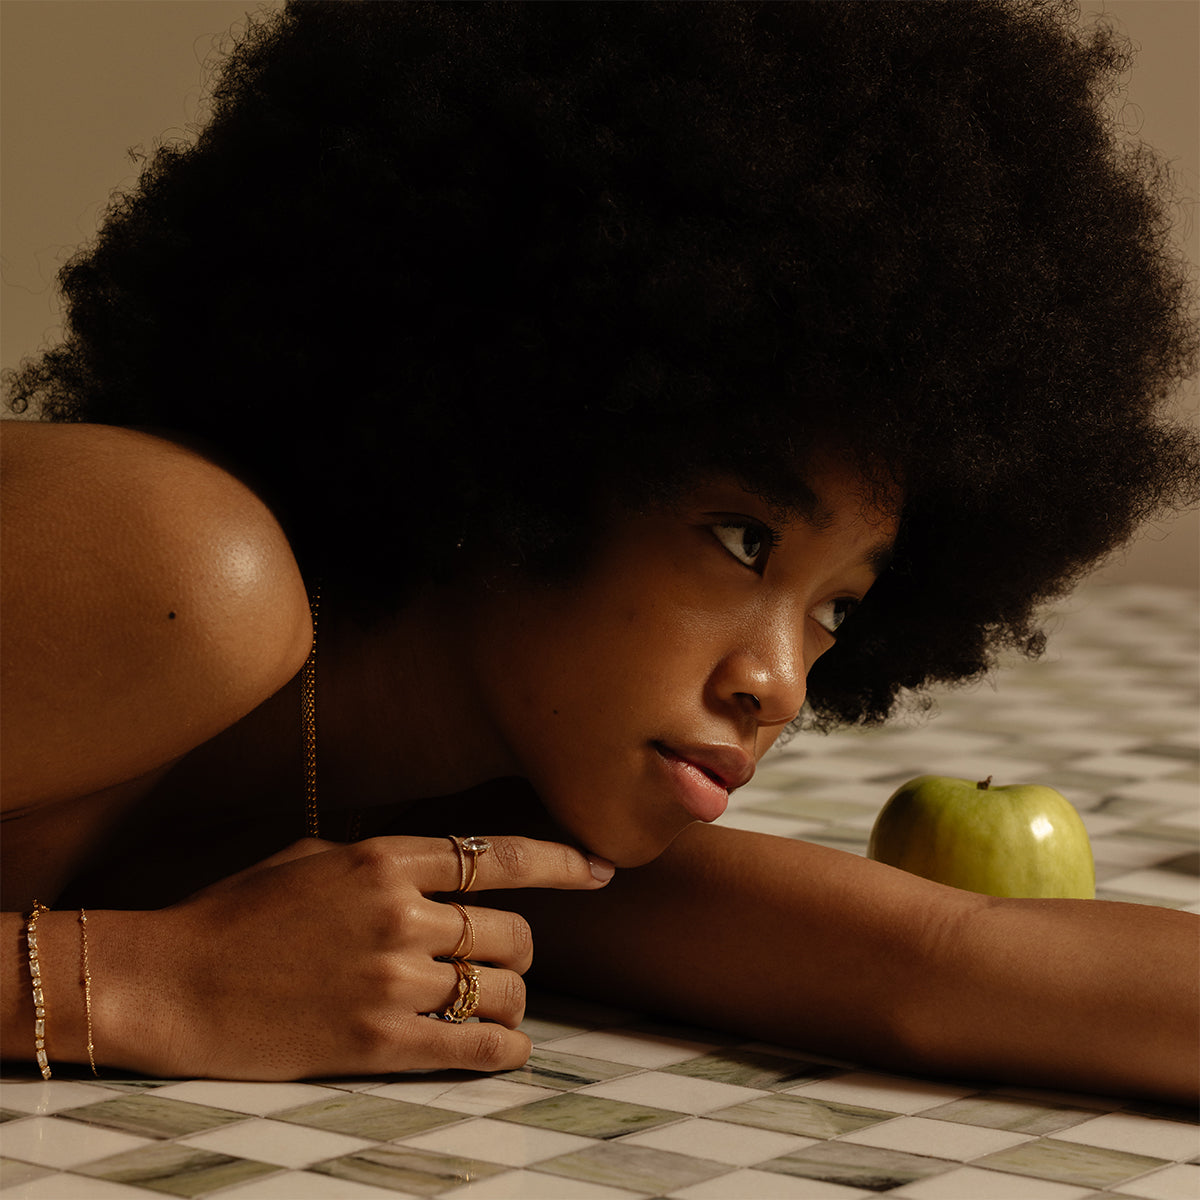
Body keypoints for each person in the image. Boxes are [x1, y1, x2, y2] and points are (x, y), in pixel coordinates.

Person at [2, 0, 1197, 1102]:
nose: (778, 684)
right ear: (515, 438)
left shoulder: (460, 826)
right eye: (743, 541)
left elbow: (946, 963)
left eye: (839, 610)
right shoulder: (182, 573)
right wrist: (148, 980)